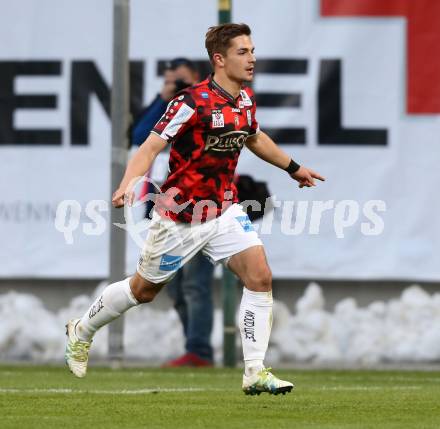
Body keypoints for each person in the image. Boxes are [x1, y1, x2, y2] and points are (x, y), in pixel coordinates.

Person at [65, 23, 325, 395]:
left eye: (252, 51)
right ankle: (82, 329)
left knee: (260, 277)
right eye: (242, 52)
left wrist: (293, 168)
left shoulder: (245, 100)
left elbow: (254, 136)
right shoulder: (191, 102)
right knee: (143, 291)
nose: (252, 58)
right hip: (181, 217)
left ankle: (254, 371)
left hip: (223, 210)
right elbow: (151, 146)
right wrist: (128, 183)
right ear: (219, 59)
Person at [132, 58, 215, 367]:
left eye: (182, 81)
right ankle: (194, 348)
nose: (178, 86)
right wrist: (163, 98)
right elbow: (140, 136)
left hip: (200, 208)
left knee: (196, 284)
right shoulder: (168, 108)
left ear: (197, 78)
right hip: (165, 209)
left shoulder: (206, 106)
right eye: (171, 80)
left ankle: (199, 350)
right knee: (175, 286)